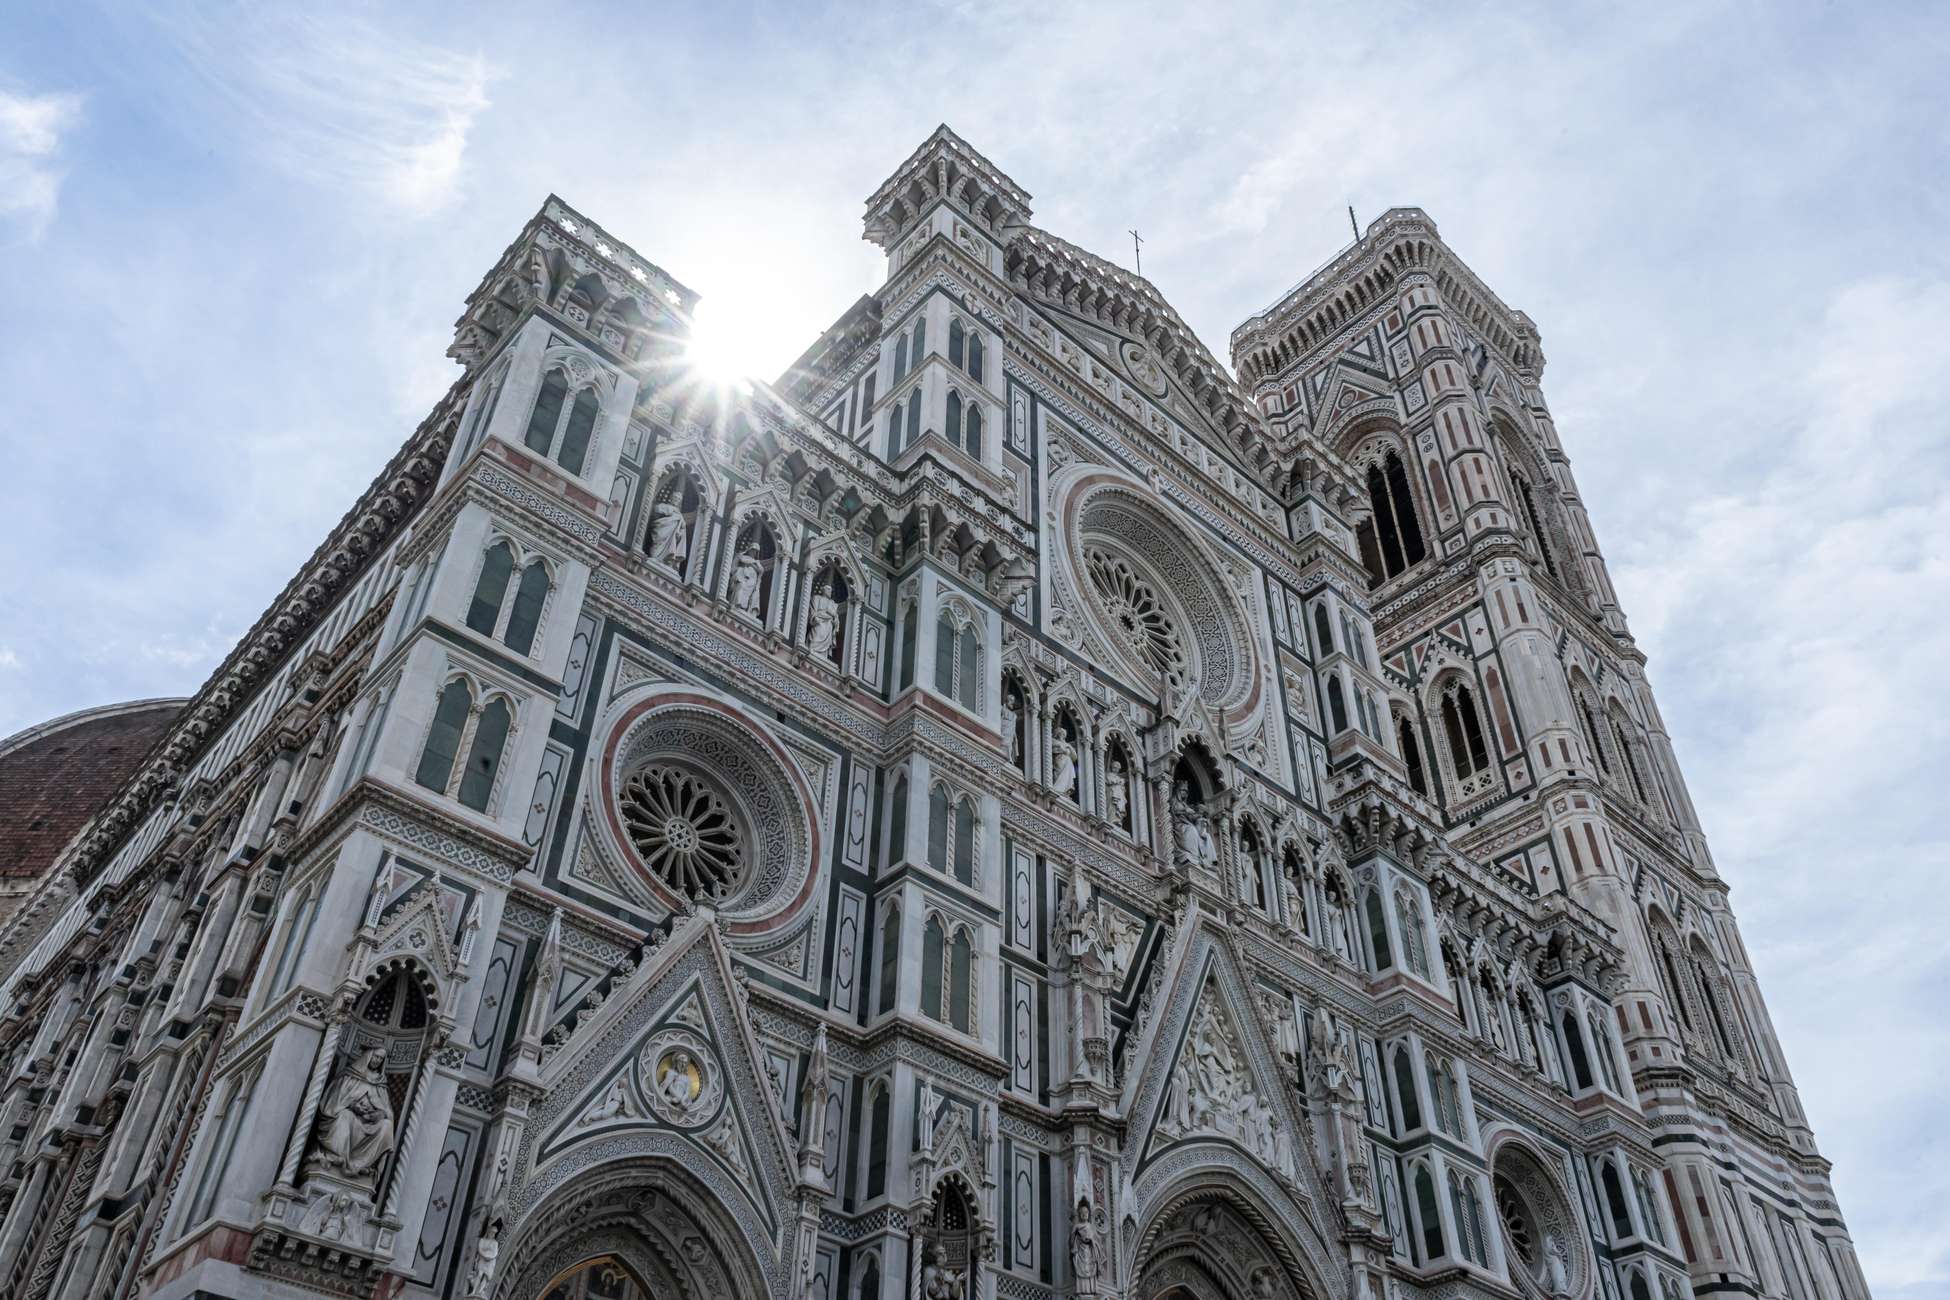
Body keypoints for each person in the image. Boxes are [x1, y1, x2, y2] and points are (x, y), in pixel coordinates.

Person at [317, 1049, 397, 1180]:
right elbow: (334, 1102)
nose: (377, 1060)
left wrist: (380, 1114)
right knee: (345, 1115)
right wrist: (353, 1106)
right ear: (368, 1055)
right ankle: (339, 1158)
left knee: (387, 1125)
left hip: (369, 1123)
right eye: (376, 1056)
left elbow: (387, 1111)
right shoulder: (350, 1076)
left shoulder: (381, 1084)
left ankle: (360, 1164)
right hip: (350, 1117)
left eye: (381, 1059)